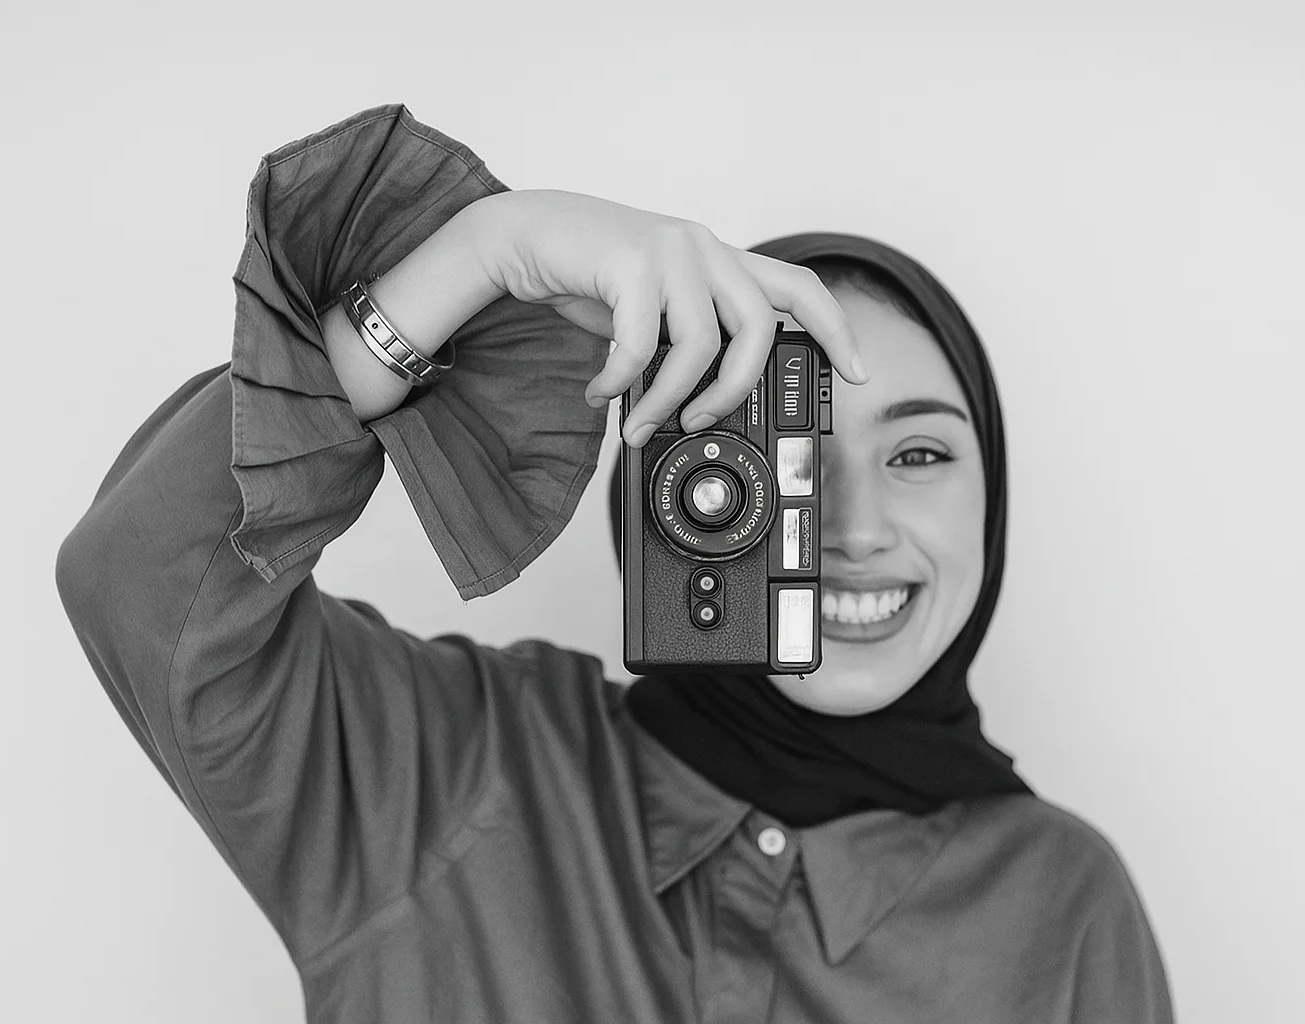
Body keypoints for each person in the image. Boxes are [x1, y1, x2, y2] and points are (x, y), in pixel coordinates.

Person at [57, 103, 1173, 1023]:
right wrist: (482, 252)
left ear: (993, 496)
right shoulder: (454, 771)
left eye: (919, 452)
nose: (855, 526)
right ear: (669, 479)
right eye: (785, 448)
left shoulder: (1064, 907)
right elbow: (139, 585)